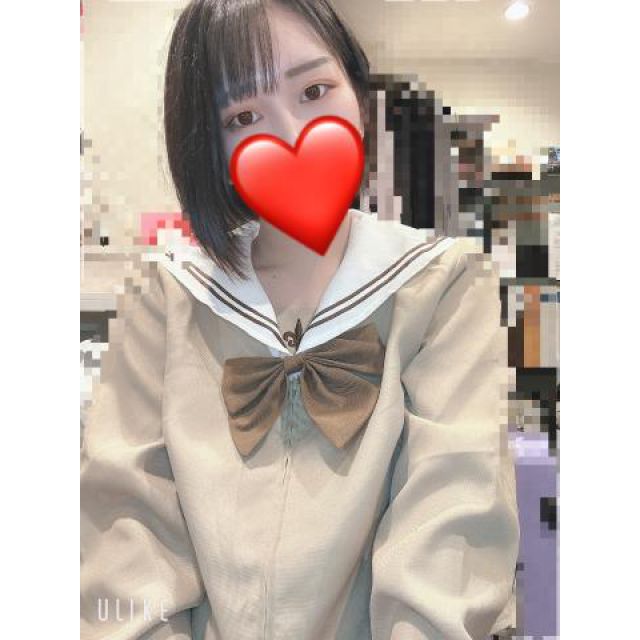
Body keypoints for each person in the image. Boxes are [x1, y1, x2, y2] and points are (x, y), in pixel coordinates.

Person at [80, 1, 520, 639]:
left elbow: (452, 527)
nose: (289, 134)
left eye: (314, 91)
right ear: (208, 142)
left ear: (357, 94)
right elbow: (128, 533)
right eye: (243, 116)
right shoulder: (167, 298)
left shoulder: (441, 285)